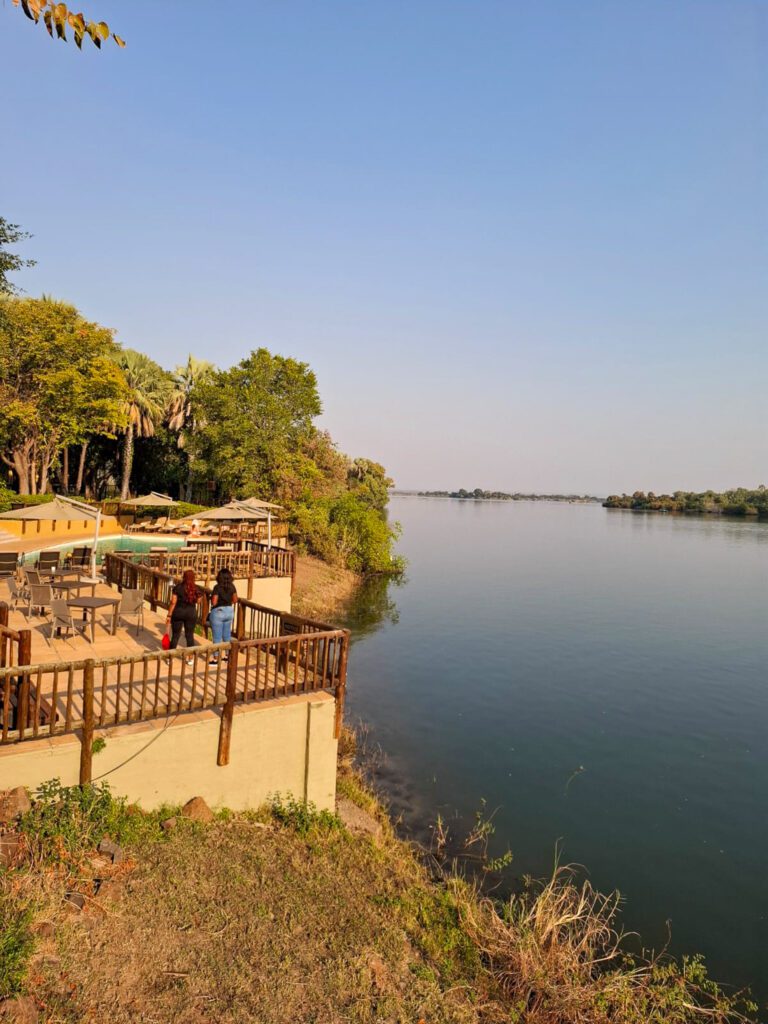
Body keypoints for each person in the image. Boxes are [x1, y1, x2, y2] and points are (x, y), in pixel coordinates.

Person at [166, 569, 201, 662]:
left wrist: (169, 615)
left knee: (175, 635)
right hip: (191, 613)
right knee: (189, 636)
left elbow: (173, 602)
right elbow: (198, 601)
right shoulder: (196, 588)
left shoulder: (178, 587)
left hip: (178, 612)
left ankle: (170, 657)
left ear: (184, 577)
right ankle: (190, 658)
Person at [208, 566, 238, 664]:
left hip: (219, 612)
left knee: (217, 637)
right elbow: (235, 600)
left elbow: (214, 602)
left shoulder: (217, 587)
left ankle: (216, 659)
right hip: (229, 611)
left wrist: (212, 598)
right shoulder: (232, 586)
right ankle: (227, 656)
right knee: (226, 636)